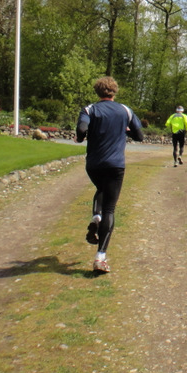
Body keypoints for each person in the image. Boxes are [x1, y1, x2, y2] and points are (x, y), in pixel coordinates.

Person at [76, 76, 144, 274]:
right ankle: (100, 257)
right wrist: (126, 130)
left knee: (101, 189)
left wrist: (81, 136)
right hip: (115, 165)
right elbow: (140, 136)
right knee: (110, 209)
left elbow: (82, 129)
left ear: (98, 92)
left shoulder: (90, 109)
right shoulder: (125, 110)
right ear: (115, 91)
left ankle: (96, 218)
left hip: (94, 164)